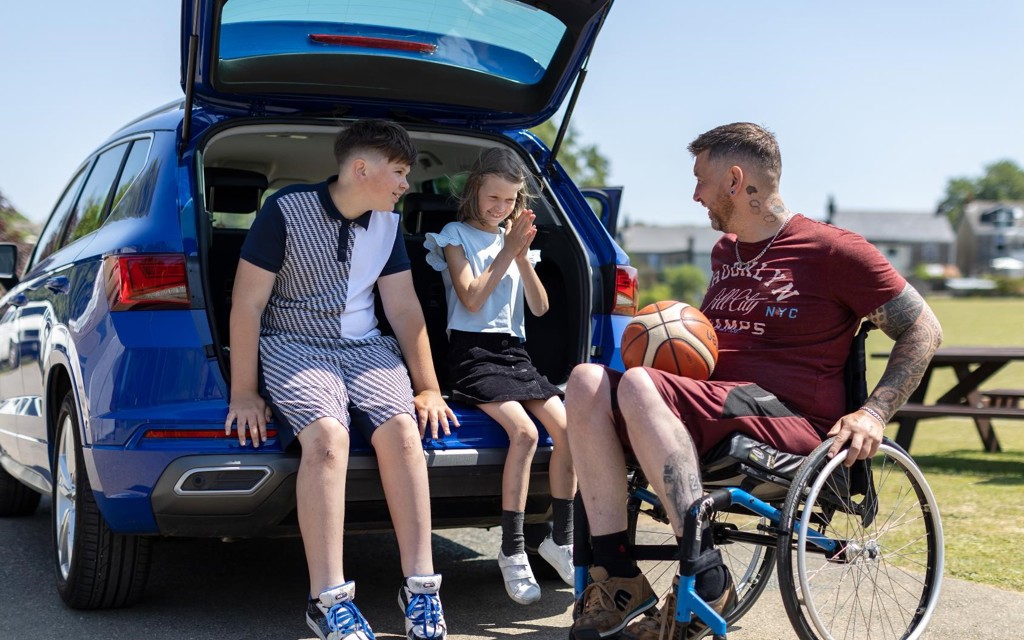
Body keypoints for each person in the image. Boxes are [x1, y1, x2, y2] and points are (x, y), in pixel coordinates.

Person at [566, 122, 943, 640]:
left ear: (735, 179)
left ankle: (707, 574)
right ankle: (617, 575)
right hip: (713, 409)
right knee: (586, 380)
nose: (694, 194)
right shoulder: (726, 253)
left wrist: (873, 412)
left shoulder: (833, 251)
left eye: (701, 180)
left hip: (790, 423)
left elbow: (924, 328)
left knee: (637, 385)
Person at [226, 119, 458, 640]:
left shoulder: (388, 225)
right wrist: (244, 390)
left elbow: (402, 309)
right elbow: (248, 302)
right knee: (328, 439)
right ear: (360, 169)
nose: (405, 185)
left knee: (403, 433)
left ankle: (421, 588)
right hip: (294, 343)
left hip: (366, 348)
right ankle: (328, 601)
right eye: (398, 173)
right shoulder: (284, 211)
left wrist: (429, 386)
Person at [423, 147, 577, 604]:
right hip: (472, 354)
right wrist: (507, 251)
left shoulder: (515, 243)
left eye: (509, 202)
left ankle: (560, 539)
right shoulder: (454, 236)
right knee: (525, 434)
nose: (499, 208)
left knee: (568, 429)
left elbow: (541, 306)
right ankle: (512, 552)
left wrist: (522, 256)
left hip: (515, 354)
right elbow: (470, 298)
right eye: (493, 198)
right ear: (474, 191)